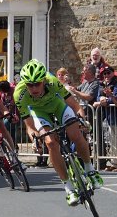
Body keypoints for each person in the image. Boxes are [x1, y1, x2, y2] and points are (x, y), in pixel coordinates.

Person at [15, 60, 103, 206]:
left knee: (75, 134)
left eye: (37, 83)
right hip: (39, 112)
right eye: (30, 85)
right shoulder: (19, 94)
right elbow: (29, 124)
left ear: (44, 80)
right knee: (50, 143)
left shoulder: (52, 81)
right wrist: (34, 137)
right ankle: (69, 188)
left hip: (58, 106)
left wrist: (81, 117)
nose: (34, 88)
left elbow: (73, 103)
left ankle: (90, 169)